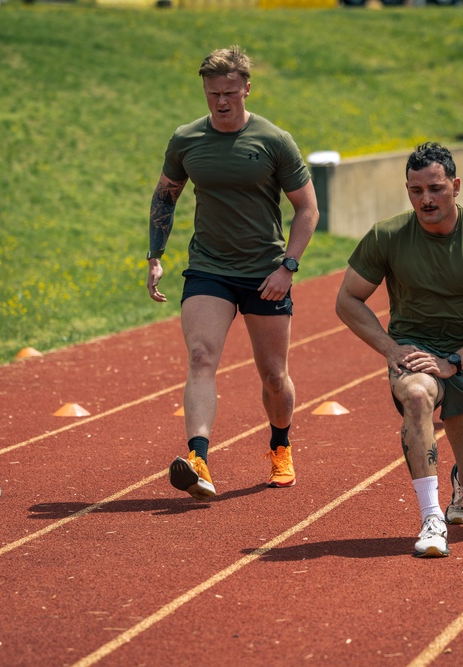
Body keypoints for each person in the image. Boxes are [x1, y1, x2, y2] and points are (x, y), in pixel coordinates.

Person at [145, 46, 319, 499]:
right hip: (209, 268)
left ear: (246, 88)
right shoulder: (186, 140)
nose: (221, 102)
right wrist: (155, 254)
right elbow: (166, 196)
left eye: (229, 92)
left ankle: (281, 445)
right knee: (201, 356)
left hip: (265, 273)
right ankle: (198, 457)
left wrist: (288, 267)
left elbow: (307, 209)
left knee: (273, 375)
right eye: (212, 93)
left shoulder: (274, 140)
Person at [335, 142, 463, 557]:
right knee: (417, 395)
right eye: (417, 191)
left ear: (455, 186)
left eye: (435, 188)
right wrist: (389, 347)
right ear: (407, 191)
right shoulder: (387, 236)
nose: (426, 199)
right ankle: (432, 518)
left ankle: (462, 482)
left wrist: (454, 362)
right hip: (415, 352)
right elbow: (347, 299)